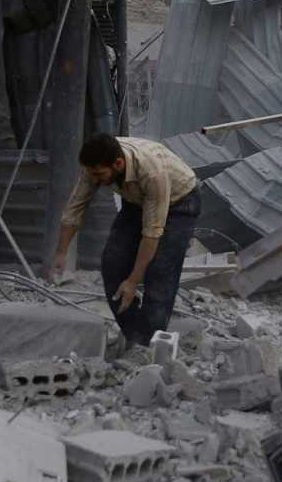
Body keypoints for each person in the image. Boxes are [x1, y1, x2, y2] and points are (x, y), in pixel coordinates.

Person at [50, 134, 200, 351]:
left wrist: (132, 281)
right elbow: (75, 208)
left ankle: (147, 345)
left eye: (99, 175)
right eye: (91, 174)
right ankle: (133, 335)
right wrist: (61, 252)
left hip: (179, 203)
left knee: (160, 273)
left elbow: (151, 234)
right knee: (113, 263)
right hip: (136, 201)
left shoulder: (151, 173)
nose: (95, 180)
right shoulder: (95, 166)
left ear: (118, 164)